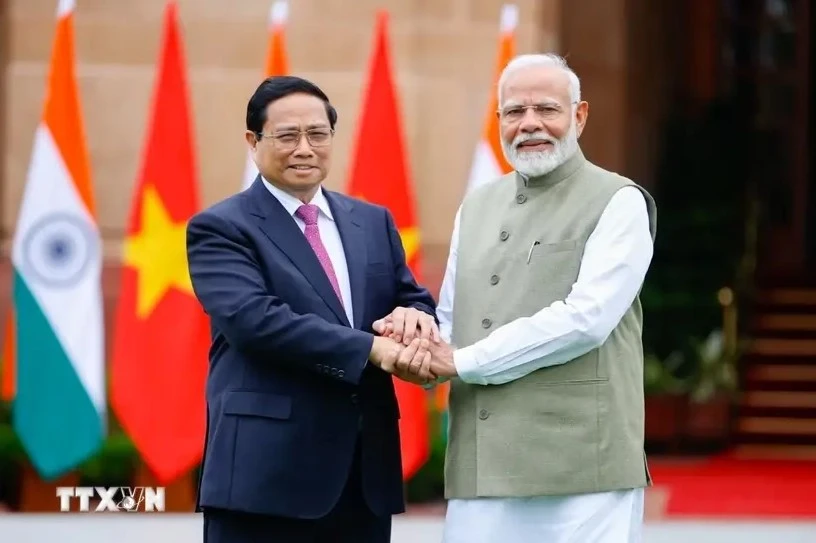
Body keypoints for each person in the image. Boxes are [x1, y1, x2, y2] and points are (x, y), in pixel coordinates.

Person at [379, 53, 657, 542]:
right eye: (514, 112)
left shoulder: (619, 201)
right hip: (481, 465)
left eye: (546, 109)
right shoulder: (478, 205)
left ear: (580, 115)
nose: (530, 124)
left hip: (581, 469)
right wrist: (413, 343)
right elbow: (451, 318)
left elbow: (585, 320)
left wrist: (460, 362)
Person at [186, 75, 438, 543]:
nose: (304, 148)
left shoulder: (371, 221)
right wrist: (373, 350)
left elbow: (412, 296)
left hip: (363, 475)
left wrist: (415, 318)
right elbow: (254, 321)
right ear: (253, 141)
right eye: (287, 136)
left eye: (317, 134)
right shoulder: (220, 227)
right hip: (265, 479)